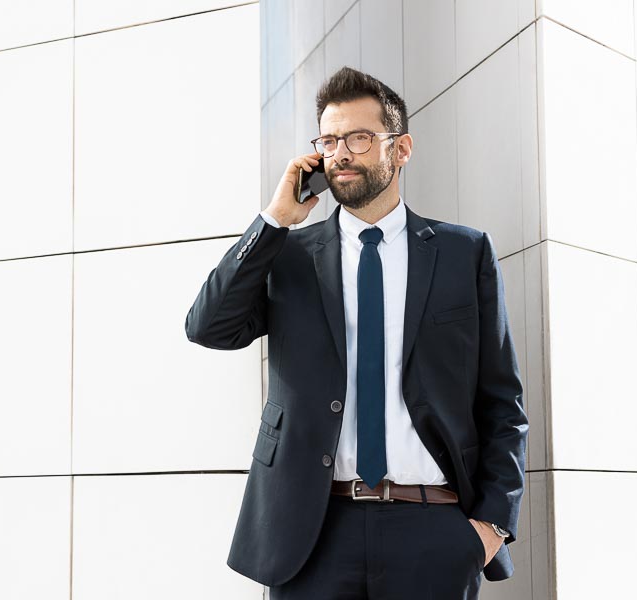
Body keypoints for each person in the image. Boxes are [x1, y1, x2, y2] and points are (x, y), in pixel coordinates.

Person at [185, 66, 528, 600]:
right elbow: (209, 326)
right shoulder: (290, 256)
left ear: (401, 148)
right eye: (328, 139)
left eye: (359, 138)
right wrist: (275, 219)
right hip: (311, 532)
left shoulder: (465, 253)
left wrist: (490, 528)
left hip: (432, 528)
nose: (340, 153)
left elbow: (503, 402)